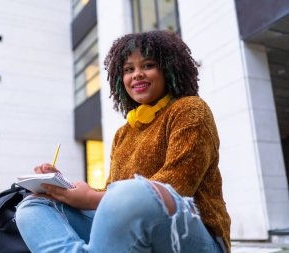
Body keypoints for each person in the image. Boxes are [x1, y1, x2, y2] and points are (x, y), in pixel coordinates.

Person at [15, 30, 231, 253]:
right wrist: (64, 189)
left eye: (147, 65)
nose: (136, 74)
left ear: (168, 69)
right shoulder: (123, 133)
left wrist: (91, 199)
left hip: (192, 237)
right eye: (129, 69)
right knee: (33, 205)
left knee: (134, 192)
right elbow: (112, 193)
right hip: (135, 229)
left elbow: (175, 187)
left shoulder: (190, 109)